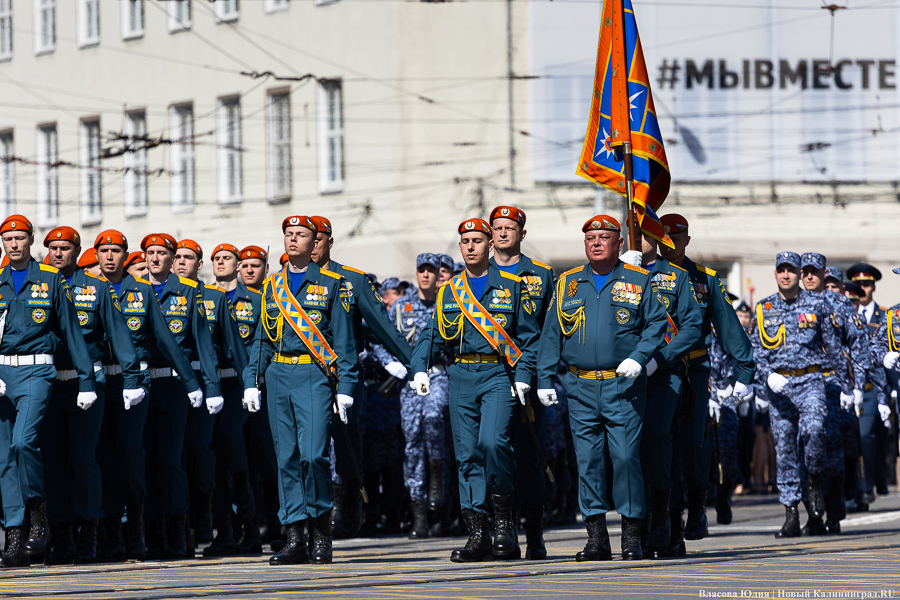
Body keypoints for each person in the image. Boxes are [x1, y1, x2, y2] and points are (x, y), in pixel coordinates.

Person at [536, 215, 668, 561]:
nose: (596, 242)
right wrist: (544, 377)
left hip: (622, 385)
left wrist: (640, 357)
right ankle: (596, 538)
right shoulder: (567, 283)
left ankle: (631, 536)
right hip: (580, 385)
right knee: (589, 460)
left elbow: (657, 325)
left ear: (619, 243)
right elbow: (551, 334)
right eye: (590, 237)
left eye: (604, 237)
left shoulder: (638, 281)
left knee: (625, 458)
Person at [410, 218, 540, 563]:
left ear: (490, 245)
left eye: (477, 241)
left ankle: (504, 526)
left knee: (493, 443)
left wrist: (524, 374)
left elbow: (528, 338)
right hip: (461, 375)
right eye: (464, 241)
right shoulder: (450, 291)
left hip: (498, 373)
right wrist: (418, 368)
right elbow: (431, 334)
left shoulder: (513, 285)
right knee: (467, 455)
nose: (469, 246)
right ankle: (478, 533)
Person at [242, 215, 359, 565]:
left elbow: (344, 340)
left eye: (301, 235)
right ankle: (294, 537)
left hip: (313, 375)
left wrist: (346, 386)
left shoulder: (334, 284)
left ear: (315, 243)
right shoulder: (272, 286)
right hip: (279, 374)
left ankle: (321, 533)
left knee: (313, 455)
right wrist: (252, 380)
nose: (293, 240)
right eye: (288, 235)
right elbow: (262, 339)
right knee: (287, 459)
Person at [94, 229, 201, 561]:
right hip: (100, 382)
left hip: (140, 383)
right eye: (104, 251)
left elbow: (168, 342)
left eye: (116, 251)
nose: (110, 256)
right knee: (107, 458)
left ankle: (159, 530)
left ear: (127, 256)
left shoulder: (142, 292)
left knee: (147, 457)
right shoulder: (87, 290)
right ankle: (117, 532)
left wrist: (193, 383)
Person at [40, 226, 144, 565]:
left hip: (89, 386)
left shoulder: (97, 289)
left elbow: (119, 336)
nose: (58, 254)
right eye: (53, 248)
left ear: (77, 251)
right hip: (49, 384)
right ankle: (61, 535)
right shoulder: (40, 286)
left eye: (65, 248)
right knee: (54, 463)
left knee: (86, 460)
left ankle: (89, 532)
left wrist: (132, 380)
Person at [0, 215, 97, 569]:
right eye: (7, 239)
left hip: (37, 370)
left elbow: (71, 331)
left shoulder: (51, 279)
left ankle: (39, 518)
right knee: (4, 457)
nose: (13, 244)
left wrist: (86, 380)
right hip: (1, 371)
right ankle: (14, 533)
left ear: (30, 241)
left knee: (24, 442)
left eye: (19, 238)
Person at [308, 216, 412, 539]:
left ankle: (350, 508)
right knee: (308, 451)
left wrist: (413, 362)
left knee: (347, 444)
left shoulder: (351, 280)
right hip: (302, 375)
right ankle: (309, 522)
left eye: (318, 239)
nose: (311, 246)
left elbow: (381, 327)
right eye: (304, 238)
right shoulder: (286, 283)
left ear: (329, 242)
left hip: (344, 376)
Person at [658, 213, 756, 554]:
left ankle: (697, 505)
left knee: (691, 442)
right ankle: (668, 523)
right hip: (655, 373)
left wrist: (746, 371)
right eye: (663, 236)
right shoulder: (643, 276)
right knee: (660, 444)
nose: (669, 242)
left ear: (686, 239)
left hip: (692, 372)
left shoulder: (705, 279)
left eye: (676, 236)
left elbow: (729, 328)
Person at [141, 233, 221, 559]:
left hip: (177, 385)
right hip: (142, 385)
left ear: (173, 258)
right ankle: (153, 533)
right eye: (151, 253)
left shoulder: (189, 293)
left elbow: (203, 342)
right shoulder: (135, 291)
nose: (156, 258)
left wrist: (209, 386)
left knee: (172, 460)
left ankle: (179, 531)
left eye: (163, 253)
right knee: (145, 460)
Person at [754, 252, 840, 538]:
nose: (786, 275)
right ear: (776, 273)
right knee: (786, 450)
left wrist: (847, 384)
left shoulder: (817, 302)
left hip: (811, 381)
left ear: (800, 273)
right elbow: (756, 351)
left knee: (815, 433)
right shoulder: (763, 307)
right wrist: (767, 377)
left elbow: (832, 345)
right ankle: (791, 513)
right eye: (782, 270)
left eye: (792, 270)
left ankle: (814, 478)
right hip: (779, 388)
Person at [631, 226, 703, 558]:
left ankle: (666, 524)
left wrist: (660, 359)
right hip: (621, 378)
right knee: (627, 453)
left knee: (660, 441)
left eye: (645, 235)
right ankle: (635, 528)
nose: (640, 240)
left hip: (664, 374)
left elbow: (691, 326)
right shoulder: (614, 274)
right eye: (634, 234)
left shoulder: (675, 276)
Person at [488, 205, 556, 559]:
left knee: (529, 454)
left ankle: (534, 532)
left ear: (522, 234)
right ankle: (501, 530)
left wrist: (539, 379)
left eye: (509, 228)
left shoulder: (541, 275)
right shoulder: (474, 274)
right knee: (493, 454)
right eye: (496, 228)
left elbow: (550, 333)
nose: (502, 234)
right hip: (488, 378)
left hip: (526, 381)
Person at [374, 253, 447, 539]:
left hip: (438, 375)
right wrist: (388, 362)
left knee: (434, 422)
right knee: (413, 442)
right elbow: (381, 337)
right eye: (422, 271)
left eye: (432, 271)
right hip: (408, 383)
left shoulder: (448, 300)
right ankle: (419, 516)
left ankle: (439, 502)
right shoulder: (401, 306)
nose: (426, 276)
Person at [800, 253, 869, 534]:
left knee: (837, 454)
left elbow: (859, 348)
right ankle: (813, 515)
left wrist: (856, 387)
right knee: (805, 450)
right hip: (804, 386)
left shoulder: (842, 306)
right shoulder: (794, 303)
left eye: (830, 283)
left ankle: (835, 513)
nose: (826, 286)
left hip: (836, 386)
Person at [846, 263, 891, 508]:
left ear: (873, 286)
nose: (862, 288)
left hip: (874, 388)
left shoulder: (884, 316)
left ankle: (868, 485)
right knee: (853, 438)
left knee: (868, 437)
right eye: (857, 284)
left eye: (865, 284)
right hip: (849, 388)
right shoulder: (843, 314)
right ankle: (858, 490)